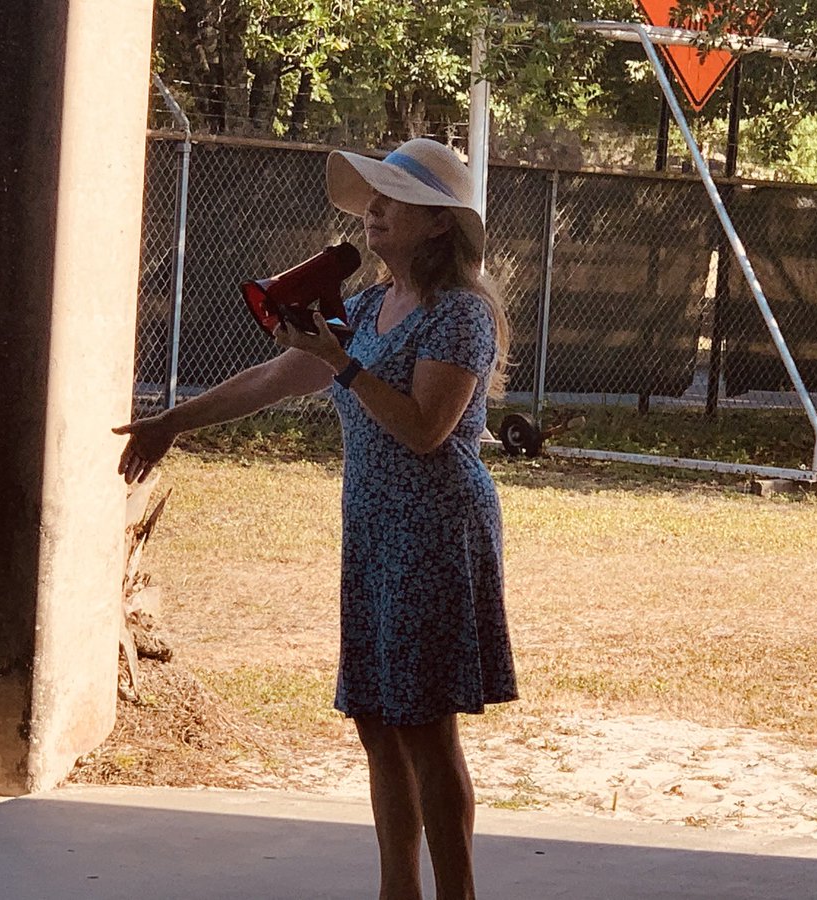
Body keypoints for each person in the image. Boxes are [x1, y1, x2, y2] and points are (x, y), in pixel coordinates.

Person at [115, 137, 518, 900]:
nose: (374, 209)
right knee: (377, 719)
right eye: (374, 195)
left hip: (436, 531)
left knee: (426, 728)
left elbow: (426, 429)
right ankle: (397, 890)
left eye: (393, 198)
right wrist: (174, 421)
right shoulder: (365, 305)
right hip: (373, 529)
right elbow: (275, 376)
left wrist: (344, 363)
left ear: (439, 224)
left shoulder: (462, 314)